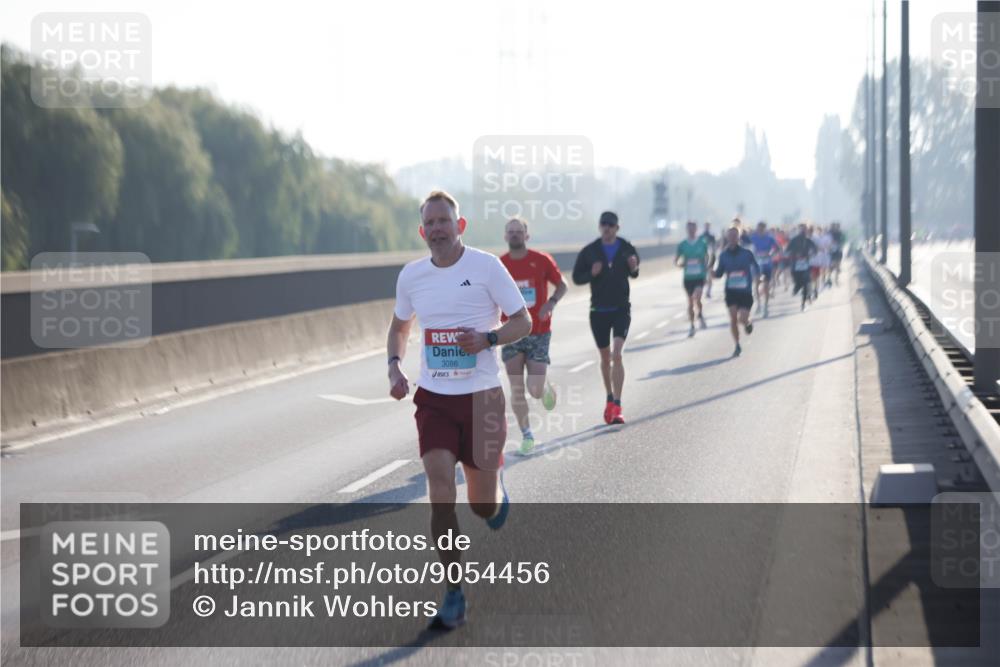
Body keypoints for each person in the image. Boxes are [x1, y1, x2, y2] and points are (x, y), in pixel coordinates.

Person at [386, 191, 532, 629]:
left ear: (460, 225)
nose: (436, 229)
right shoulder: (412, 276)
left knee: (482, 508)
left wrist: (488, 339)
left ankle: (495, 488)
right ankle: (453, 590)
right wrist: (394, 366)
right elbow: (400, 326)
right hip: (434, 399)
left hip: (483, 397)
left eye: (443, 221)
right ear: (421, 231)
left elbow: (522, 321)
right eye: (429, 223)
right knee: (438, 488)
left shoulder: (486, 266)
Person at [499, 218, 568, 455]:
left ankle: (545, 387)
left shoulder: (541, 260)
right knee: (517, 388)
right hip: (511, 333)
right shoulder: (499, 265)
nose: (516, 235)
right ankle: (527, 434)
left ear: (527, 236)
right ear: (505, 236)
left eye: (520, 231)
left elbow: (562, 285)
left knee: (534, 389)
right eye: (511, 232)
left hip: (539, 331)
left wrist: (551, 302)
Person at [572, 211, 640, 425]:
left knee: (617, 355)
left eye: (611, 224)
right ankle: (609, 398)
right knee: (604, 358)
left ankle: (618, 405)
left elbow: (635, 273)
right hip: (598, 311)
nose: (607, 227)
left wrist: (633, 267)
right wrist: (591, 273)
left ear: (617, 228)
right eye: (604, 224)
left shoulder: (627, 247)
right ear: (599, 226)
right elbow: (576, 277)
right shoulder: (590, 251)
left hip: (621, 308)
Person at [714, 225, 759, 357]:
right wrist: (713, 274)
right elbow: (719, 273)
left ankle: (747, 323)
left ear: (739, 237)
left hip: (745, 291)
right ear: (727, 237)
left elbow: (756, 266)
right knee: (733, 318)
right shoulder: (723, 255)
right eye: (730, 235)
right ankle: (737, 345)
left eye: (735, 235)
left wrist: (758, 276)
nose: (732, 238)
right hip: (731, 291)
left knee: (742, 319)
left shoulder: (747, 253)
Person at [676, 221, 709, 336]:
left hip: (699, 276)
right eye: (689, 228)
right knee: (690, 303)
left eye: (693, 228)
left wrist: (706, 270)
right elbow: (676, 261)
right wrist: (681, 264)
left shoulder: (702, 242)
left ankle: (700, 314)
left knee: (697, 297)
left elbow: (707, 258)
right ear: (687, 229)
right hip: (688, 278)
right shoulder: (682, 244)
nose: (691, 230)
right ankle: (692, 325)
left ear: (696, 229)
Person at [749, 221, 780, 318]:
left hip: (767, 264)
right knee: (757, 284)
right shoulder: (753, 238)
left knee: (766, 286)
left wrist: (771, 254)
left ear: (765, 229)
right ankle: (758, 304)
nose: (760, 230)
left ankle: (765, 306)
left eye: (762, 228)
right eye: (759, 228)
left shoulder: (770, 238)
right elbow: (747, 247)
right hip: (756, 265)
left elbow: (777, 248)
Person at [786, 223, 818, 311]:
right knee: (798, 281)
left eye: (804, 229)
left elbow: (815, 249)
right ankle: (797, 287)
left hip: (805, 264)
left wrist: (811, 254)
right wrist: (793, 254)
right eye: (801, 229)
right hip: (795, 264)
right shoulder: (794, 240)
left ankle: (803, 304)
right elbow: (787, 250)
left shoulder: (808, 240)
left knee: (805, 282)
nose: (803, 231)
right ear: (798, 230)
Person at [699, 222, 718, 298]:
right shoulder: (701, 236)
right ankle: (703, 289)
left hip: (711, 257)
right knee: (703, 275)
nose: (707, 227)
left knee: (710, 274)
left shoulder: (712, 236)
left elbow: (714, 247)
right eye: (706, 226)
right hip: (703, 257)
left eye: (708, 226)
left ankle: (708, 291)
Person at [829, 222, 845, 286]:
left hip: (838, 251)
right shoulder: (830, 233)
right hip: (832, 251)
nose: (836, 228)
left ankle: (836, 279)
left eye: (837, 226)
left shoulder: (840, 233)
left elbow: (843, 240)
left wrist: (839, 243)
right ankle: (829, 278)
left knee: (838, 265)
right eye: (834, 226)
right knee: (831, 266)